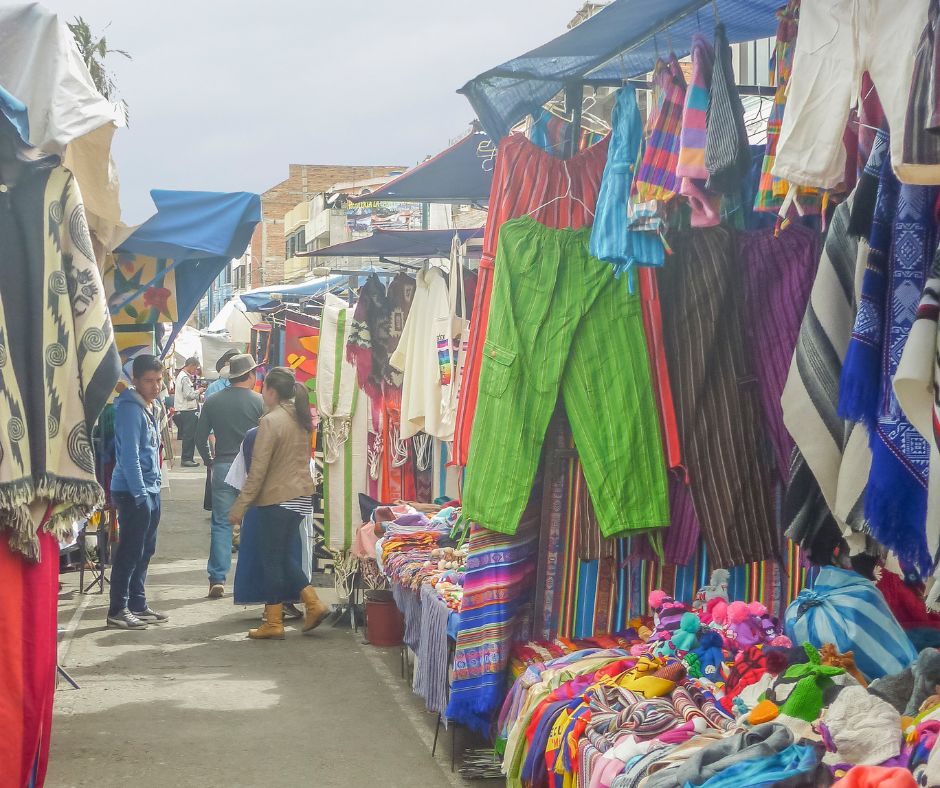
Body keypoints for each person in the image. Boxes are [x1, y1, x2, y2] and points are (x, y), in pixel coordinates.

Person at [228, 366, 328, 639]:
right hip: (300, 497)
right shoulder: (299, 417)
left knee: (272, 559)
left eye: (264, 390)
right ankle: (308, 604)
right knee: (282, 556)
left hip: (278, 498)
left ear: (270, 391)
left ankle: (277, 621)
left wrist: (239, 507)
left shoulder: (271, 421)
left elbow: (258, 469)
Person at [107, 355, 168, 630]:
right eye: (149, 381)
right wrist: (141, 493)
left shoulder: (146, 406)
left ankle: (137, 603)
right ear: (135, 380)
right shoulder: (129, 409)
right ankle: (118, 609)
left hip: (149, 488)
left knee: (145, 549)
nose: (155, 386)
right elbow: (129, 456)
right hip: (133, 491)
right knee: (130, 551)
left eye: (158, 380)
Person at [195, 354, 263, 599]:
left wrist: (209, 460)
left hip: (223, 465)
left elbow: (199, 435)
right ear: (251, 375)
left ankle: (217, 578)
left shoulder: (212, 401)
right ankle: (253, 579)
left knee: (222, 524)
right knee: (254, 526)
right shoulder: (260, 401)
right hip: (252, 470)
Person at [174, 356, 204, 467]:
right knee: (189, 436)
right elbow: (189, 395)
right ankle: (186, 459)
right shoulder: (184, 378)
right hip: (187, 410)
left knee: (189, 435)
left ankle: (188, 458)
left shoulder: (183, 376)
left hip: (186, 409)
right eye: (195, 368)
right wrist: (199, 391)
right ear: (191, 365)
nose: (195, 370)